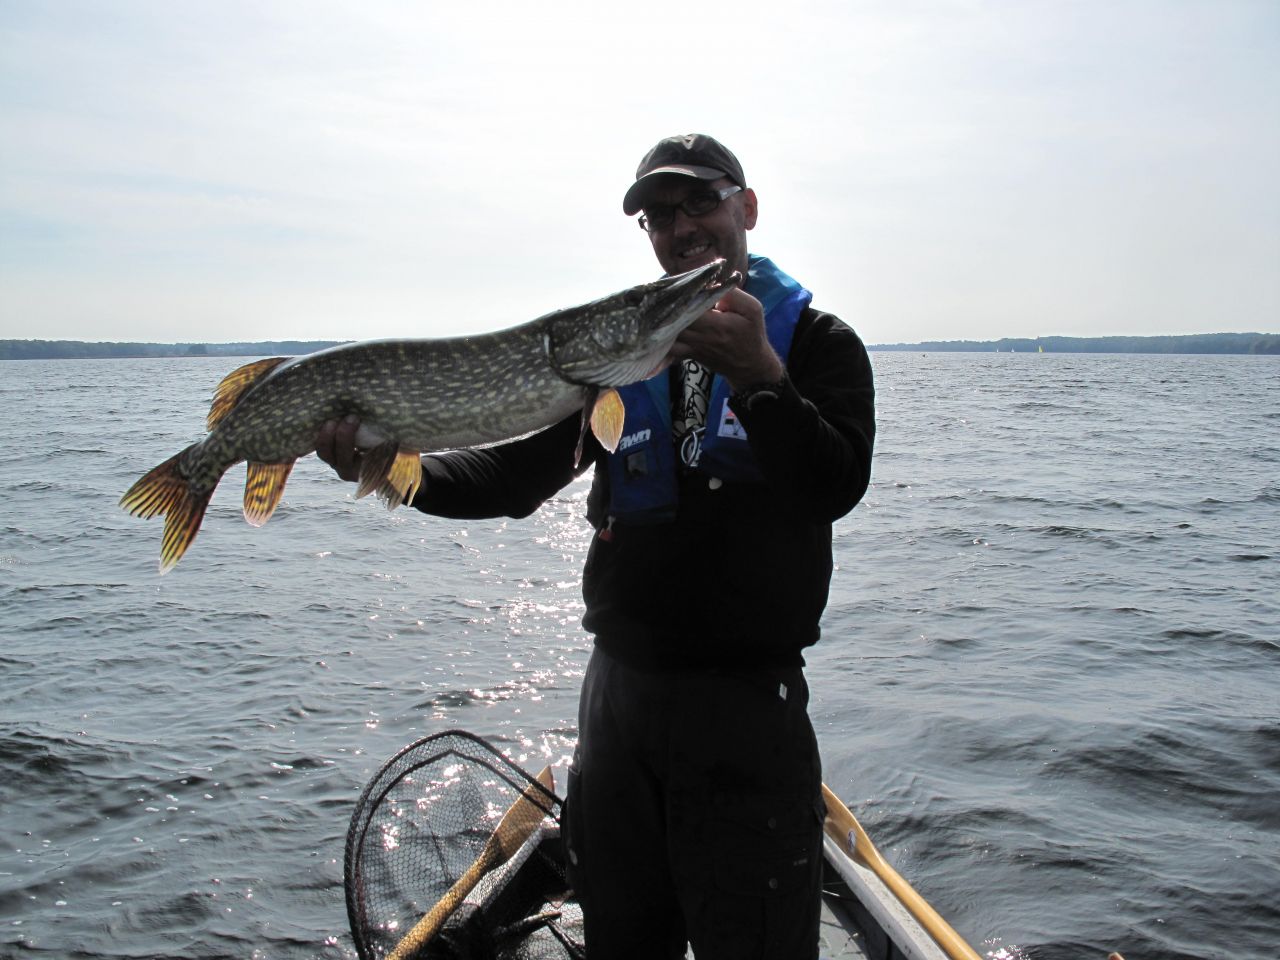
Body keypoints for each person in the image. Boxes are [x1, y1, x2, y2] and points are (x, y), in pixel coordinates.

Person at [317, 134, 876, 959]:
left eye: (700, 202)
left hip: (746, 712)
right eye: (660, 216)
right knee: (622, 943)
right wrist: (398, 473)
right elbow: (512, 479)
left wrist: (762, 377)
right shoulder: (620, 356)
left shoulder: (821, 345)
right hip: (618, 708)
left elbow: (835, 484)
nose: (681, 227)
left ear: (747, 208)